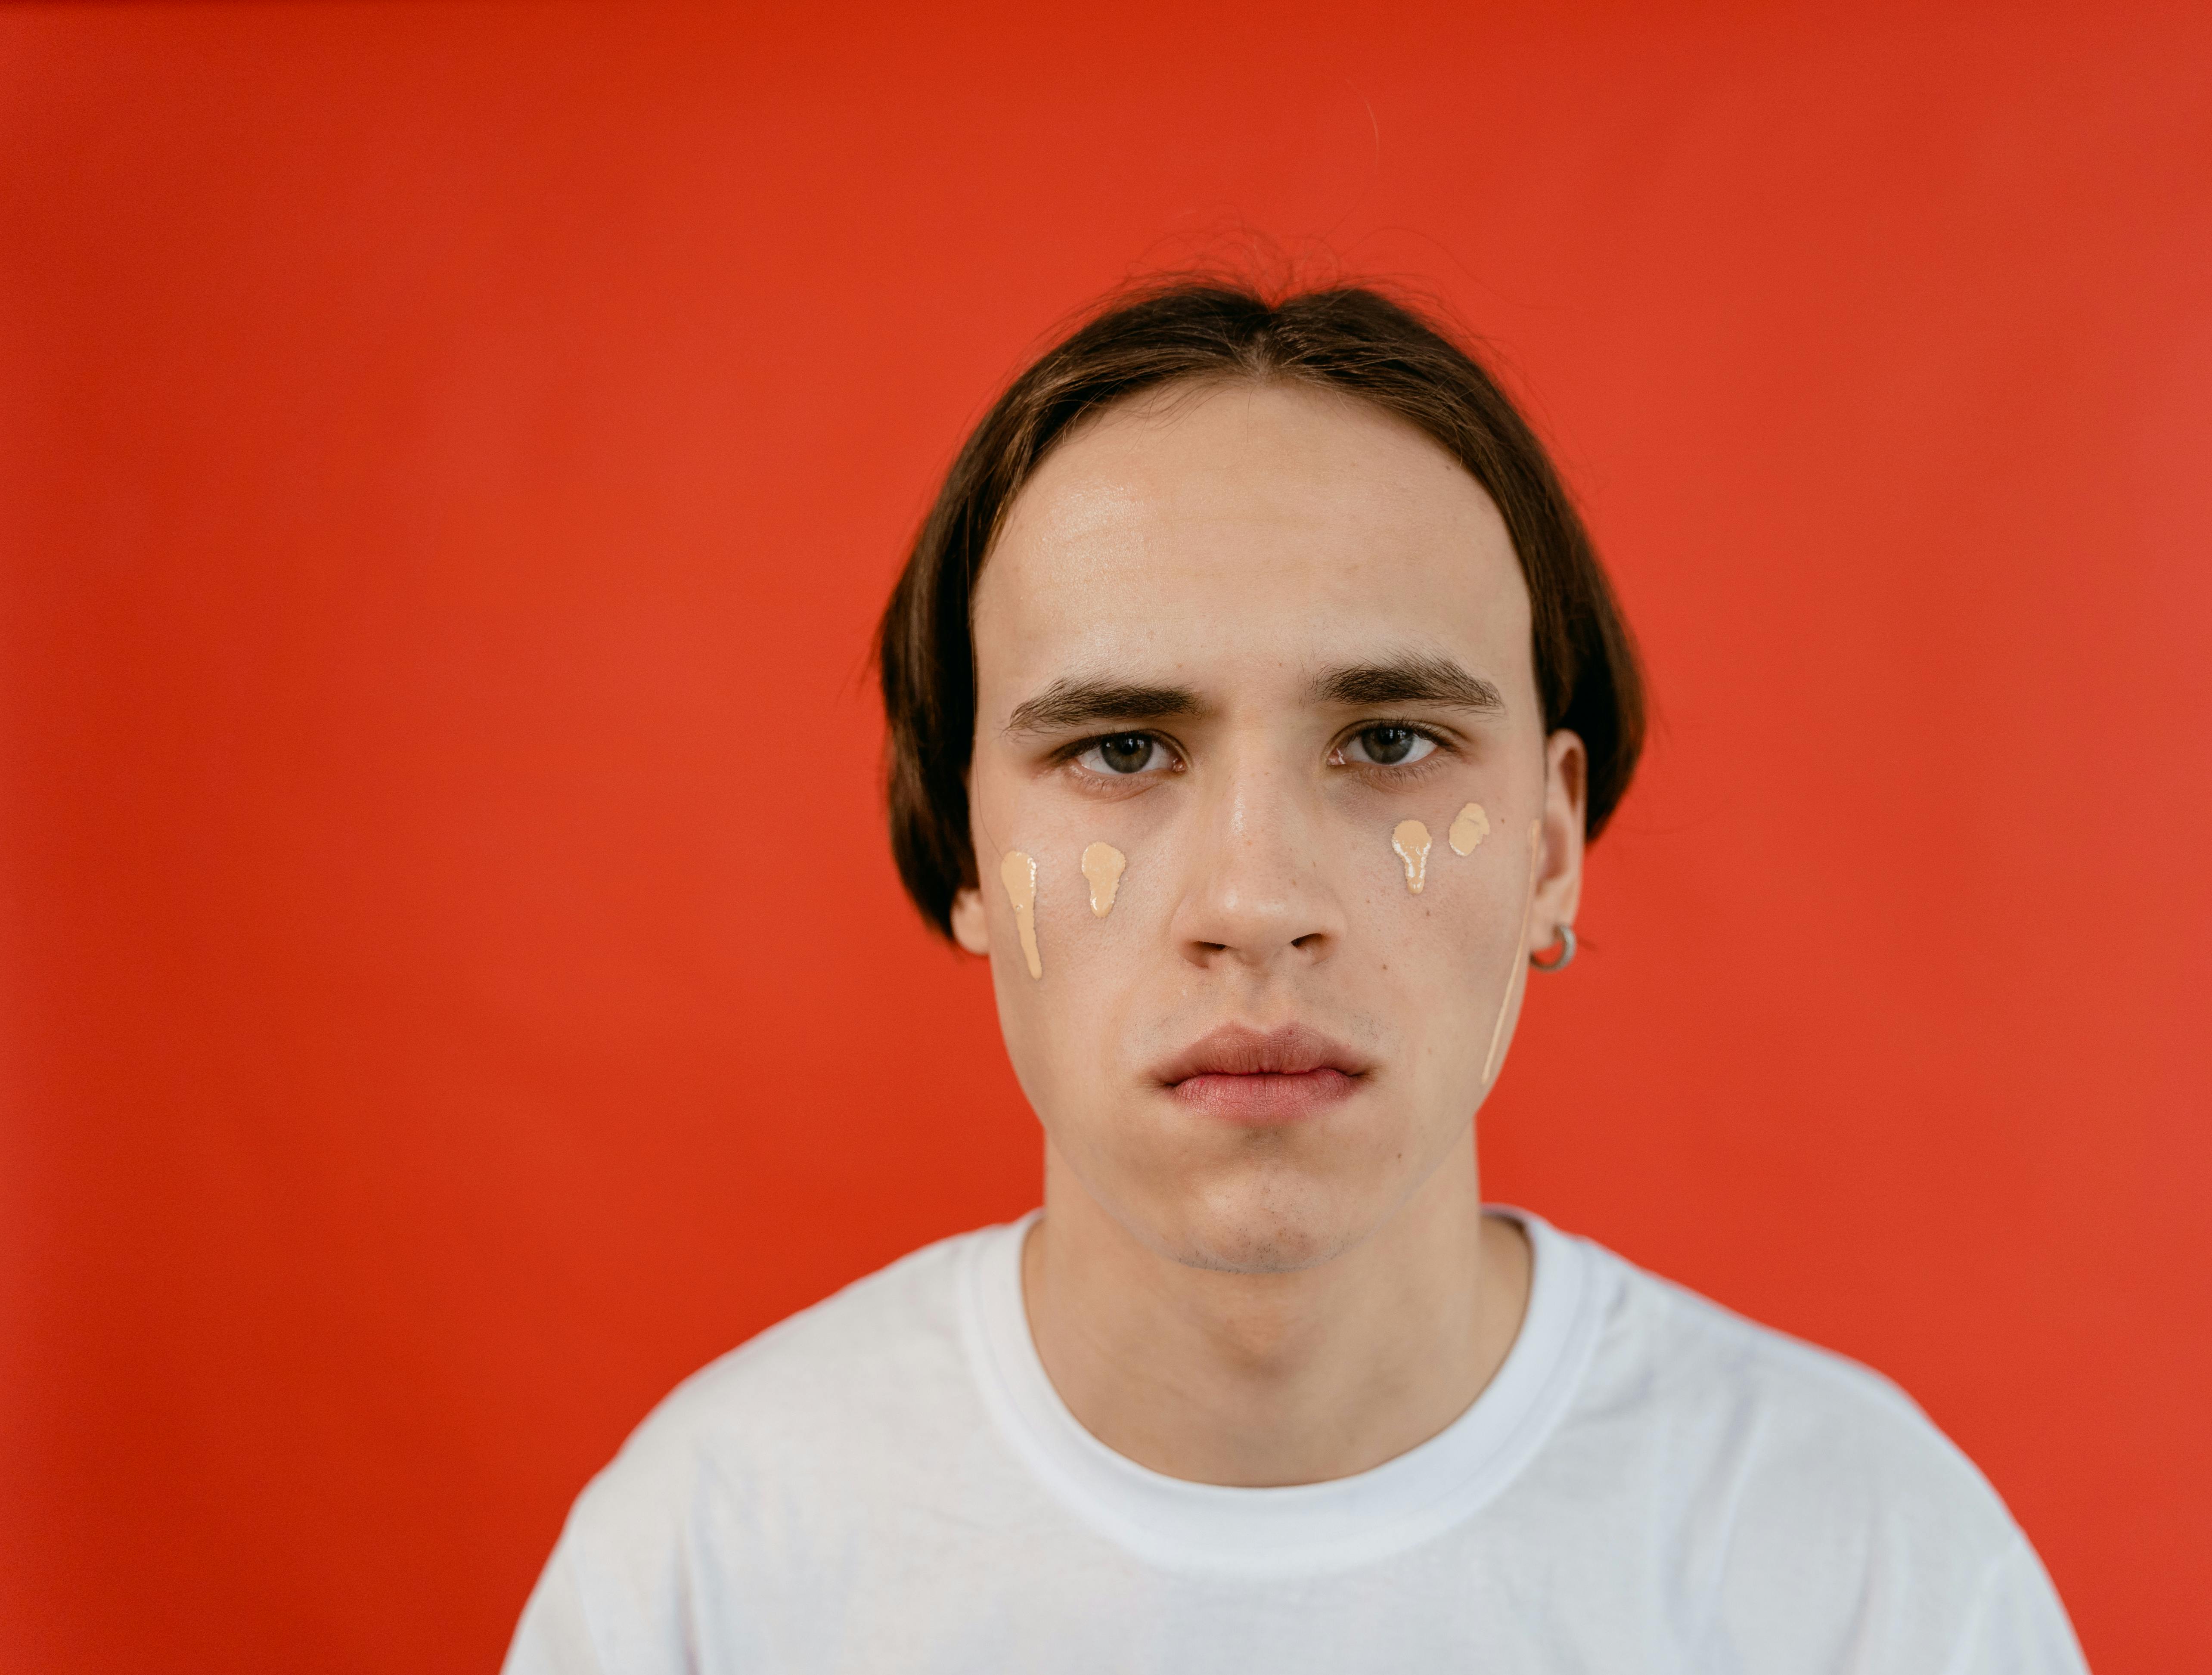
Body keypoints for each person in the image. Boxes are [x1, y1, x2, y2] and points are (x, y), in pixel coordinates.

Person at [502, 282, 2088, 1673]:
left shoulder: (1868, 1569)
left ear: (1549, 844)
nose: (1254, 902)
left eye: (1388, 741)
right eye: (1122, 749)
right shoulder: (711, 1561)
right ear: (967, 847)